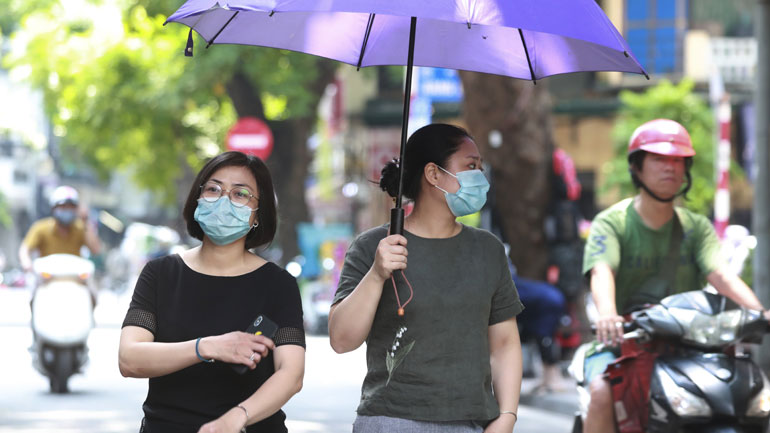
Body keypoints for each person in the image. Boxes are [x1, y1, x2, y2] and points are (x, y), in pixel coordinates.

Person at [328, 123, 524, 433]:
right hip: (391, 420)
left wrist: (507, 417)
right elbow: (341, 340)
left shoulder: (488, 249)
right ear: (433, 174)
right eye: (471, 166)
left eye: (480, 168)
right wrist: (377, 274)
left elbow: (504, 343)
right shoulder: (373, 246)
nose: (480, 177)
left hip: (472, 422)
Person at [580, 118, 770, 433]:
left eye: (678, 160)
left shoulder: (696, 227)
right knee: (602, 391)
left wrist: (760, 312)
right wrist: (608, 315)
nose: (670, 167)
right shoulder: (611, 222)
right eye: (659, 159)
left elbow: (721, 275)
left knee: (746, 391)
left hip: (691, 344)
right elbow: (602, 271)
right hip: (623, 342)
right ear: (637, 168)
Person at [118, 151, 305, 433]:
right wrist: (206, 347)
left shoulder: (278, 284)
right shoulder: (160, 273)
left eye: (241, 194)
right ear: (198, 199)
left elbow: (291, 374)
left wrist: (238, 417)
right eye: (213, 189)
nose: (224, 199)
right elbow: (129, 359)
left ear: (258, 214)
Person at [18, 185, 101, 271]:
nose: (67, 210)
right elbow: (24, 249)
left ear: (76, 209)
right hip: (47, 278)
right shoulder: (41, 228)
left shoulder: (81, 228)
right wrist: (26, 263)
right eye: (63, 206)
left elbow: (96, 250)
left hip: (74, 278)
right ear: (54, 208)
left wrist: (85, 221)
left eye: (71, 207)